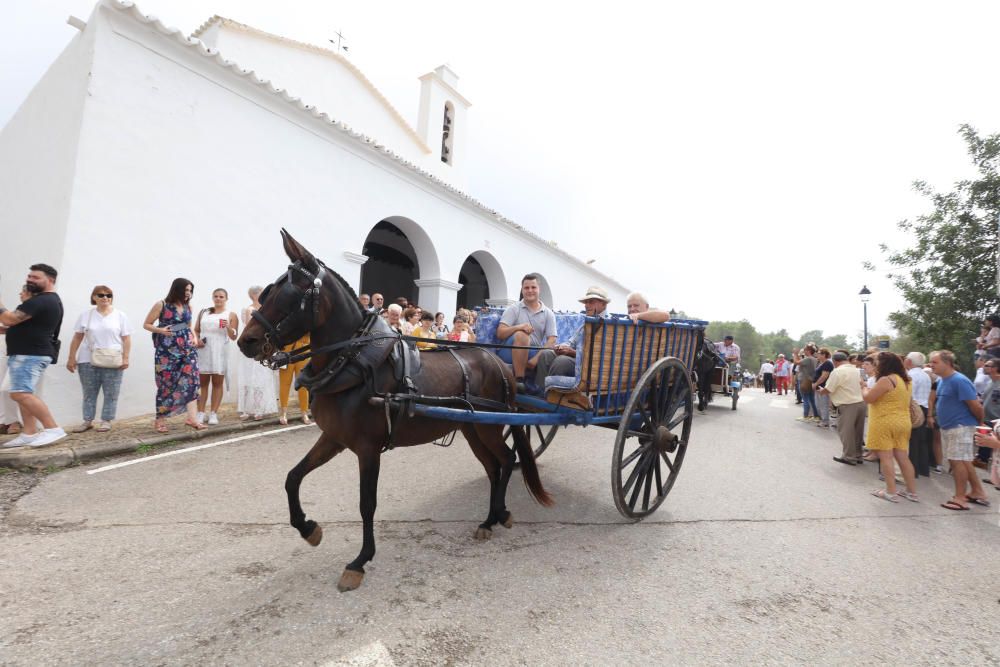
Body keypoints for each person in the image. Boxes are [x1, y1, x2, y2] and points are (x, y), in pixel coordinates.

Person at [0, 264, 66, 447]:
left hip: (30, 355)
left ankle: (53, 429)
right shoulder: (45, 301)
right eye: (28, 277)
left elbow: (9, 319)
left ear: (50, 280)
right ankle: (29, 433)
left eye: (35, 277)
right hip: (26, 354)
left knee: (20, 393)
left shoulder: (41, 301)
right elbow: (19, 326)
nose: (30, 280)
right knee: (22, 393)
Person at [65, 285, 132, 433]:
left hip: (113, 359)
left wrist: (126, 358)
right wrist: (71, 357)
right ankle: (87, 420)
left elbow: (126, 339)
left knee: (111, 392)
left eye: (109, 295)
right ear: (94, 297)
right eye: (101, 295)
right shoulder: (85, 315)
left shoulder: (120, 315)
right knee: (89, 392)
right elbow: (77, 337)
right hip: (87, 359)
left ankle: (106, 420)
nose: (105, 298)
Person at [929, 350, 989, 510]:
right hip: (950, 427)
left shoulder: (959, 380)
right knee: (962, 460)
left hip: (960, 427)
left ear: (947, 363)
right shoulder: (942, 380)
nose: (931, 365)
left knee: (957, 462)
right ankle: (977, 491)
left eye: (935, 362)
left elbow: (976, 406)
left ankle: (960, 498)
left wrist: (979, 423)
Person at [143, 278, 204, 433]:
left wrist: (195, 338)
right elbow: (147, 324)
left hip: (187, 349)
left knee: (191, 382)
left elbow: (188, 327)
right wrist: (161, 330)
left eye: (190, 290)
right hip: (166, 350)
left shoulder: (188, 306)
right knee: (166, 384)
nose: (188, 293)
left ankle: (192, 418)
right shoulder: (161, 304)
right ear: (177, 289)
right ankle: (160, 420)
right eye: (186, 290)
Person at [534, 286, 611, 393]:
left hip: (591, 368)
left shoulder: (609, 326)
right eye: (586, 302)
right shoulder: (588, 323)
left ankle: (552, 396)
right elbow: (572, 342)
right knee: (546, 354)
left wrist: (572, 352)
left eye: (591, 302)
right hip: (578, 361)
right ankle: (540, 392)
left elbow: (600, 356)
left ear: (604, 304)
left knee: (561, 361)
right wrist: (562, 347)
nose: (586, 305)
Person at [863, 351, 918, 502]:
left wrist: (864, 387)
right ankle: (911, 492)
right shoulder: (906, 380)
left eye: (876, 363)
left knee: (886, 457)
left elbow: (868, 398)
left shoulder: (886, 380)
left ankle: (890, 491)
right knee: (903, 458)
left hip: (884, 421)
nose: (875, 366)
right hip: (903, 421)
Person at [496, 274, 557, 394]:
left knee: (552, 353)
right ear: (522, 290)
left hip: (533, 352)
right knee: (522, 334)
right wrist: (519, 327)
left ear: (539, 289)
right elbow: (500, 333)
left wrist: (536, 359)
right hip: (510, 350)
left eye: (533, 287)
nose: (530, 291)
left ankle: (544, 391)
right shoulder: (514, 309)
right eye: (526, 288)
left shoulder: (548, 313)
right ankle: (519, 380)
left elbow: (552, 339)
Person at [194, 288, 238, 425]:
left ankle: (213, 413)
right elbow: (196, 330)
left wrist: (228, 327)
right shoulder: (204, 312)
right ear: (212, 297)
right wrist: (197, 340)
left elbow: (234, 336)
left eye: (221, 297)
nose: (218, 299)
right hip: (204, 349)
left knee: (217, 383)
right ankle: (200, 412)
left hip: (220, 350)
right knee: (202, 383)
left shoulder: (230, 314)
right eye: (216, 296)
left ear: (226, 299)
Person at [237, 286, 278, 421]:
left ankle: (259, 408)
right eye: (260, 293)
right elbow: (252, 327)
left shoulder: (266, 310)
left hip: (262, 347)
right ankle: (246, 409)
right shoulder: (250, 310)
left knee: (260, 380)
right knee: (249, 379)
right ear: (254, 295)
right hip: (252, 347)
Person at [818, 352, 865, 465]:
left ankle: (849, 456)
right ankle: (858, 455)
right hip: (861, 402)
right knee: (858, 432)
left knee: (846, 431)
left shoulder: (837, 371)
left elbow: (829, 389)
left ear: (835, 361)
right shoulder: (856, 370)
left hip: (847, 404)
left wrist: (821, 391)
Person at [904, 351, 933, 476]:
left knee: (912, 440)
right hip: (924, 407)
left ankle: (912, 469)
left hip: (914, 409)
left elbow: (909, 394)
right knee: (921, 440)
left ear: (909, 362)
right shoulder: (925, 375)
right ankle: (923, 469)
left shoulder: (910, 375)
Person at [279, 333, 312, 426]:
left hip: (303, 349)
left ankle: (304, 413)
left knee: (303, 384)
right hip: (286, 351)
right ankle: (283, 413)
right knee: (284, 384)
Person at [795, 345, 819, 422]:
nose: (804, 351)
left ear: (808, 351)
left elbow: (796, 362)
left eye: (805, 350)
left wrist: (795, 354)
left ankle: (806, 416)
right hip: (811, 380)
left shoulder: (808, 359)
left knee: (805, 399)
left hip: (804, 380)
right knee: (812, 399)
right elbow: (801, 362)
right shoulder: (815, 359)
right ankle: (816, 416)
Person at [813, 348, 834, 427]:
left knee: (823, 404)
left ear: (824, 355)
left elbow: (824, 376)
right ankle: (822, 419)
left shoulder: (827, 363)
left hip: (823, 387)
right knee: (818, 404)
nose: (817, 354)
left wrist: (815, 384)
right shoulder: (821, 363)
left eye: (819, 353)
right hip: (819, 387)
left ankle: (825, 421)